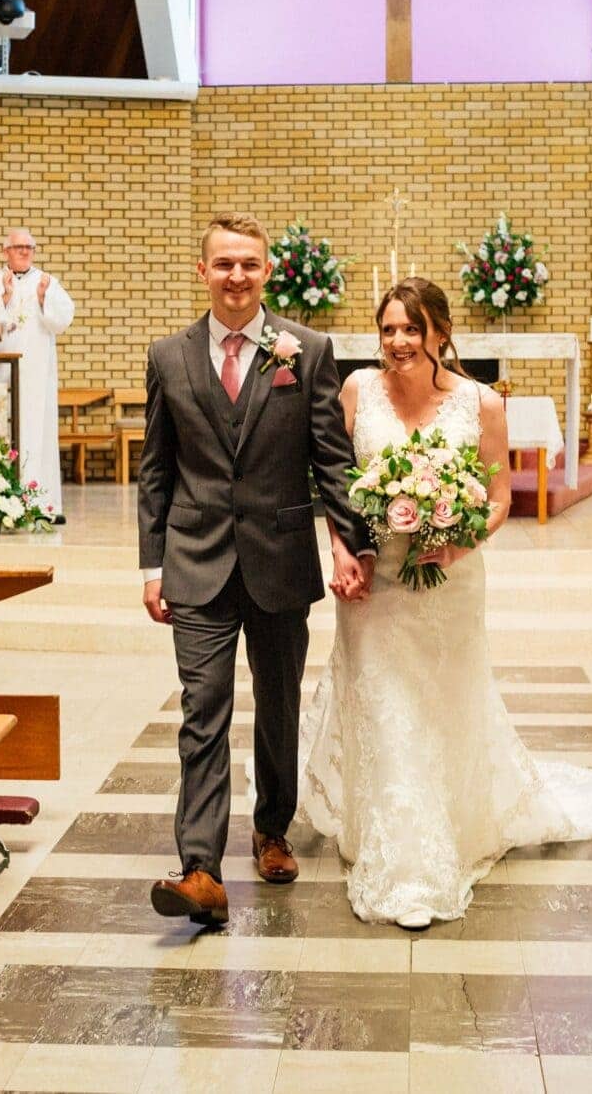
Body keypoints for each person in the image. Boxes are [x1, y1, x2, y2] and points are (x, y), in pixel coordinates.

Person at [291, 278, 592, 930]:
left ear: (439, 334)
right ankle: (400, 849)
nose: (398, 342)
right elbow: (332, 480)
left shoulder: (481, 404)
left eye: (411, 329)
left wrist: (456, 543)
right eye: (388, 330)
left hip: (448, 585)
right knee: (382, 705)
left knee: (442, 703)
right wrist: (343, 550)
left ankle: (444, 825)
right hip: (373, 583)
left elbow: (498, 499)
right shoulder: (356, 392)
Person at [138, 213, 373, 927]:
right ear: (201, 270)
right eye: (223, 263)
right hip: (195, 560)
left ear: (267, 271)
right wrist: (152, 565)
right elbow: (156, 471)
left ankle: (271, 826)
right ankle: (200, 867)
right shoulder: (168, 356)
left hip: (277, 559)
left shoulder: (306, 348)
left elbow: (330, 458)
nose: (236, 275)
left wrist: (351, 543)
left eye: (249, 264)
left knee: (277, 707)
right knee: (201, 712)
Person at [0, 229, 74, 520]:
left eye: (30, 247)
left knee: (36, 434)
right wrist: (3, 299)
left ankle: (41, 504)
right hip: (0, 377)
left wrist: (43, 300)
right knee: (2, 435)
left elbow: (63, 318)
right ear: (5, 251)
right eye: (19, 247)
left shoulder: (46, 281)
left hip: (36, 377)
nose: (25, 252)